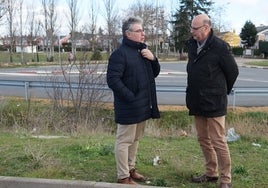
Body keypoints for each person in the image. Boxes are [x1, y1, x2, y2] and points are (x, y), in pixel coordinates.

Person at [185, 14, 239, 188]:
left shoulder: (220, 47)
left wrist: (221, 92)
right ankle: (211, 173)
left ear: (206, 28)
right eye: (191, 28)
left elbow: (233, 72)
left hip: (215, 102)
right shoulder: (192, 45)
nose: (192, 32)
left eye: (195, 28)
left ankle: (226, 179)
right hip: (196, 100)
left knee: (218, 141)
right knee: (203, 139)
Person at [106, 17, 160, 185]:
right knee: (124, 141)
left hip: (143, 106)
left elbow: (154, 74)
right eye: (139, 31)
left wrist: (153, 59)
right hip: (129, 106)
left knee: (135, 139)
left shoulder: (142, 51)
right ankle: (123, 176)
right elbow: (113, 80)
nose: (143, 34)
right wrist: (130, 97)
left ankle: (130, 168)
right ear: (128, 34)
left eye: (143, 30)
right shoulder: (119, 54)